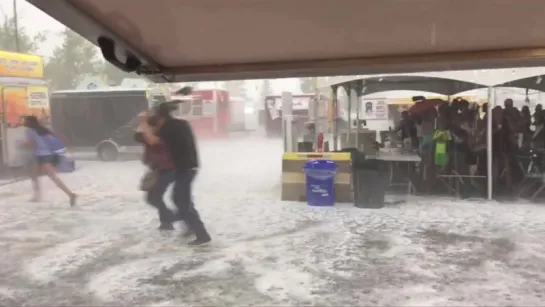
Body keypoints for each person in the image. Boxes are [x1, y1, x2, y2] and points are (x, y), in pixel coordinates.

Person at [138, 104, 211, 246]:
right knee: (182, 200)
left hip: (184, 168)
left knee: (181, 201)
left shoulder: (169, 128)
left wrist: (143, 121)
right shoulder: (181, 124)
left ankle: (199, 233)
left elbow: (151, 140)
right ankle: (191, 227)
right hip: (188, 166)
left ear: (160, 118)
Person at [24, 116, 77, 206]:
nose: (24, 122)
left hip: (40, 156)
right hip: (47, 154)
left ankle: (38, 196)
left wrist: (23, 144)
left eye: (25, 121)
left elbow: (31, 145)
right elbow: (61, 136)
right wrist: (69, 145)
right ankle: (69, 194)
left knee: (38, 175)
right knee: (38, 175)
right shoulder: (42, 129)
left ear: (29, 122)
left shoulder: (29, 131)